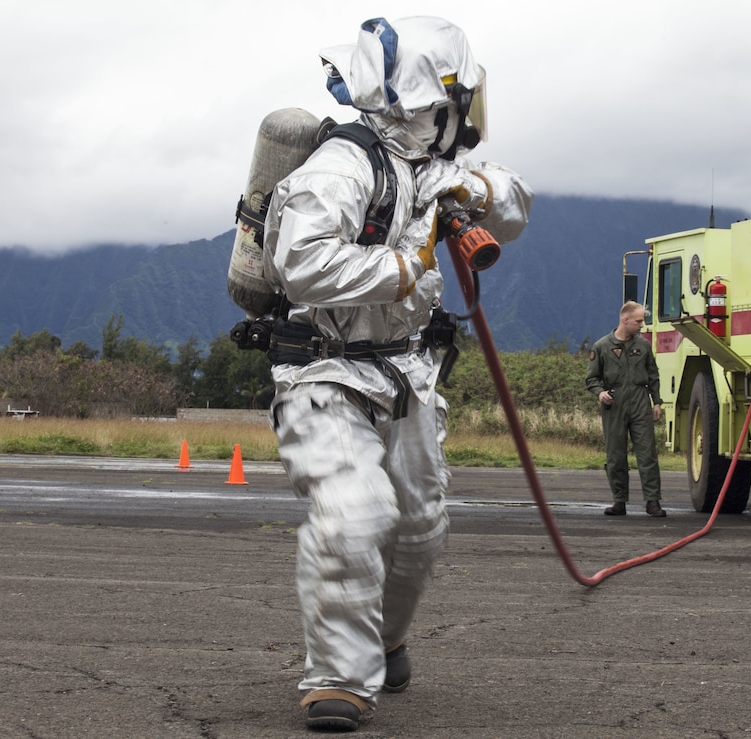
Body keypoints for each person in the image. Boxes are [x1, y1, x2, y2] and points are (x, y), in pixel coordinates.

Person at [261, 16, 532, 732]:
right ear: (427, 100)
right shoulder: (342, 167)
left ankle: (383, 638)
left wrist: (474, 190)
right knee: (356, 514)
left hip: (408, 376)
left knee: (419, 527)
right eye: (457, 101)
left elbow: (515, 204)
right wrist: (403, 266)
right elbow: (299, 263)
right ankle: (338, 679)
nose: (466, 115)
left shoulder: (432, 168)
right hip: (324, 375)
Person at [585, 301, 665, 517]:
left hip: (640, 400)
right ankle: (619, 500)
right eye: (639, 321)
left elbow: (653, 375)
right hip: (615, 402)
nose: (642, 325)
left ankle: (652, 501)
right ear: (625, 320)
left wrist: (657, 402)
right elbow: (591, 378)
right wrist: (600, 393)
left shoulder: (644, 346)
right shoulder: (601, 347)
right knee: (615, 455)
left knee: (647, 453)